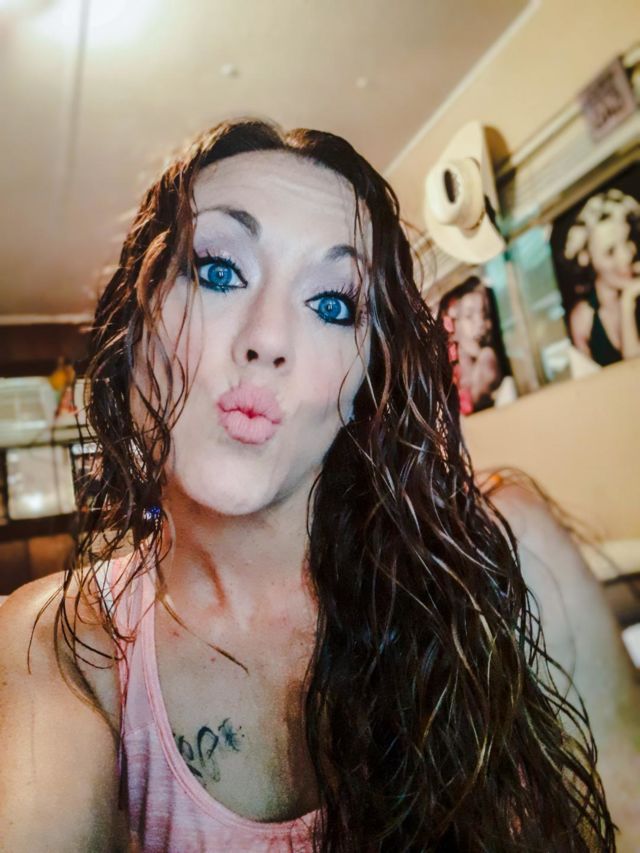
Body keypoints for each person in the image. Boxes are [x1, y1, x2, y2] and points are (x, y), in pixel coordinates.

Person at [0, 120, 620, 852]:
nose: (268, 339)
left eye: (331, 304)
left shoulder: (505, 550)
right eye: (218, 271)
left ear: (362, 383)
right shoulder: (59, 640)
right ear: (135, 331)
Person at [554, 188, 640, 366]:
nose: (625, 257)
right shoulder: (583, 320)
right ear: (587, 257)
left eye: (627, 241)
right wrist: (626, 304)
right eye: (610, 251)